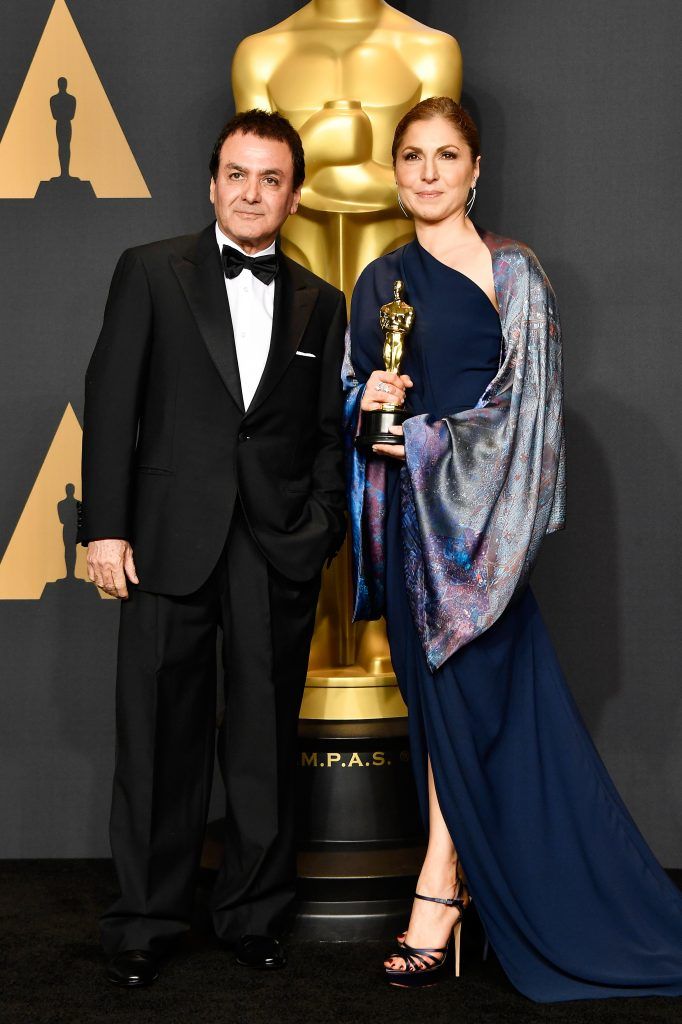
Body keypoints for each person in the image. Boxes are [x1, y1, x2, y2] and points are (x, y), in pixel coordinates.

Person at [344, 96, 682, 1000]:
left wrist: (418, 441)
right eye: (411, 156)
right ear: (393, 171)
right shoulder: (378, 279)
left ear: (475, 170)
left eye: (445, 156)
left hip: (478, 551)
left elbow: (527, 420)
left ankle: (437, 898)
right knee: (445, 727)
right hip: (411, 536)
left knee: (478, 720)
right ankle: (460, 894)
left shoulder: (513, 273)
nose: (427, 172)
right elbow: (351, 398)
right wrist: (366, 404)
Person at [78, 109, 347, 987]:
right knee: (159, 731)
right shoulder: (151, 270)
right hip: (162, 539)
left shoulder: (323, 300)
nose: (252, 192)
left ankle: (253, 915)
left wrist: (317, 530)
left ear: (294, 196)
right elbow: (113, 403)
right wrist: (105, 528)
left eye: (271, 179)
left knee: (265, 739)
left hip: (274, 546)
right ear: (211, 182)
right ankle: (146, 922)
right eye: (238, 174)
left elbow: (323, 436)